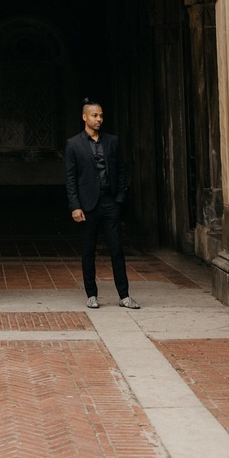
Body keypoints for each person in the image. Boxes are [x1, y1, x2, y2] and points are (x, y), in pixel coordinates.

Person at [65, 99, 140, 310]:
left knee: (117, 250)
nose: (99, 119)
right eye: (95, 116)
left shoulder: (112, 141)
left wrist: (119, 198)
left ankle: (124, 296)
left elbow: (121, 170)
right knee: (88, 251)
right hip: (87, 206)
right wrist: (75, 206)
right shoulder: (74, 144)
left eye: (101, 116)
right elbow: (71, 179)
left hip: (110, 203)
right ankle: (91, 295)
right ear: (84, 117)